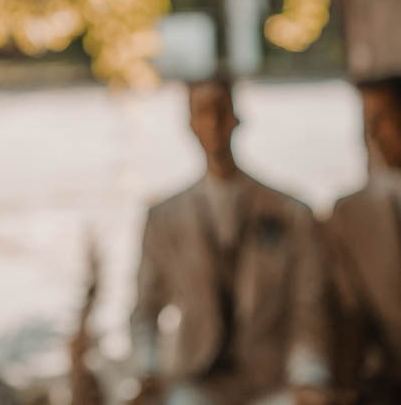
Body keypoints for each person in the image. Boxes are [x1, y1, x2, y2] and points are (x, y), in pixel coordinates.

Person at [130, 76, 330, 405]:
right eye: (202, 112)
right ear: (190, 123)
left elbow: (308, 308)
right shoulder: (165, 218)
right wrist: (149, 370)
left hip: (270, 379)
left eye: (221, 111)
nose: (213, 123)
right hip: (194, 378)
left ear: (237, 117)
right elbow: (144, 311)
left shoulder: (290, 212)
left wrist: (309, 375)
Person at [325, 74, 401, 404]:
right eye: (368, 122)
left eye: (381, 119)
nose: (372, 134)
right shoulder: (354, 214)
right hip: (397, 385)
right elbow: (350, 312)